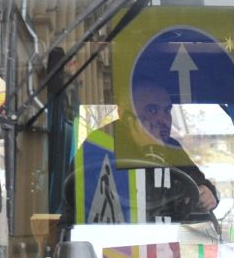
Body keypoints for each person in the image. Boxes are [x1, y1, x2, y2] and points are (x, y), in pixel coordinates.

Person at [63, 83, 220, 227]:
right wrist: (148, 150)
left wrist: (208, 192)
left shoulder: (171, 148)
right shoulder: (99, 147)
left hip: (165, 244)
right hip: (108, 246)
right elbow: (99, 209)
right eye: (152, 111)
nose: (163, 120)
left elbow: (197, 183)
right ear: (125, 116)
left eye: (167, 110)